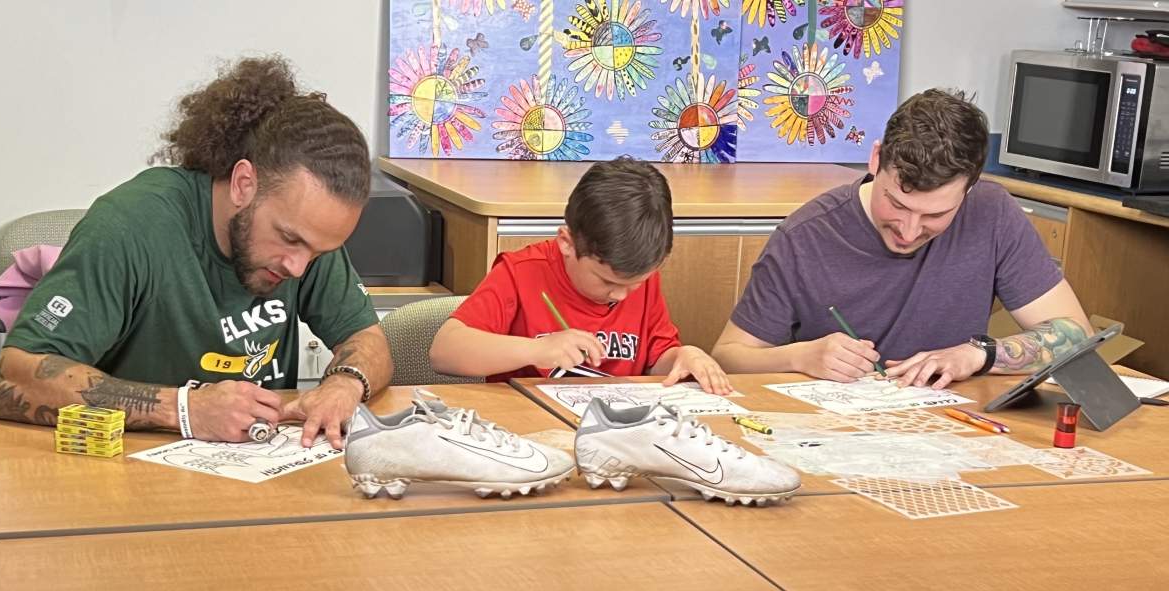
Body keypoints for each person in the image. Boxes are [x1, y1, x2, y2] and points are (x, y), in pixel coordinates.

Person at [0, 56, 392, 448]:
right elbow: (12, 378)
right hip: (124, 473)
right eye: (288, 238)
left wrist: (345, 382)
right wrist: (184, 409)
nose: (299, 267)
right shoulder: (130, 227)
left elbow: (368, 338)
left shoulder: (307, 236)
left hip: (250, 470)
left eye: (318, 252)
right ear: (243, 184)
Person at [712, 88, 1091, 389]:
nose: (909, 231)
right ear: (876, 160)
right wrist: (799, 357)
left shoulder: (993, 213)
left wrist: (978, 355)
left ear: (970, 188)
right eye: (896, 203)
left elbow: (1077, 336)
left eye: (935, 215)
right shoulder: (805, 236)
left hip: (953, 429)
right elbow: (729, 356)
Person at [429, 157, 731, 394]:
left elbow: (657, 361)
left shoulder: (639, 277)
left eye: (635, 283)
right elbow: (444, 351)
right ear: (567, 243)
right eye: (607, 282)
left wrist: (683, 357)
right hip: (529, 433)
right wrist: (536, 350)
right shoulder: (522, 272)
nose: (621, 295)